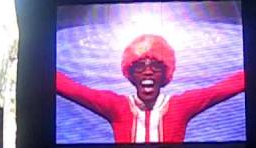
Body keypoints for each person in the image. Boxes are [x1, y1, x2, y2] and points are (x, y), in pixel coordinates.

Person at [57, 34, 245, 143]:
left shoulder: (180, 105)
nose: (148, 72)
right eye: (139, 67)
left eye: (155, 67)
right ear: (130, 74)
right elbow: (74, 90)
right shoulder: (117, 106)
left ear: (165, 74)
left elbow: (221, 90)